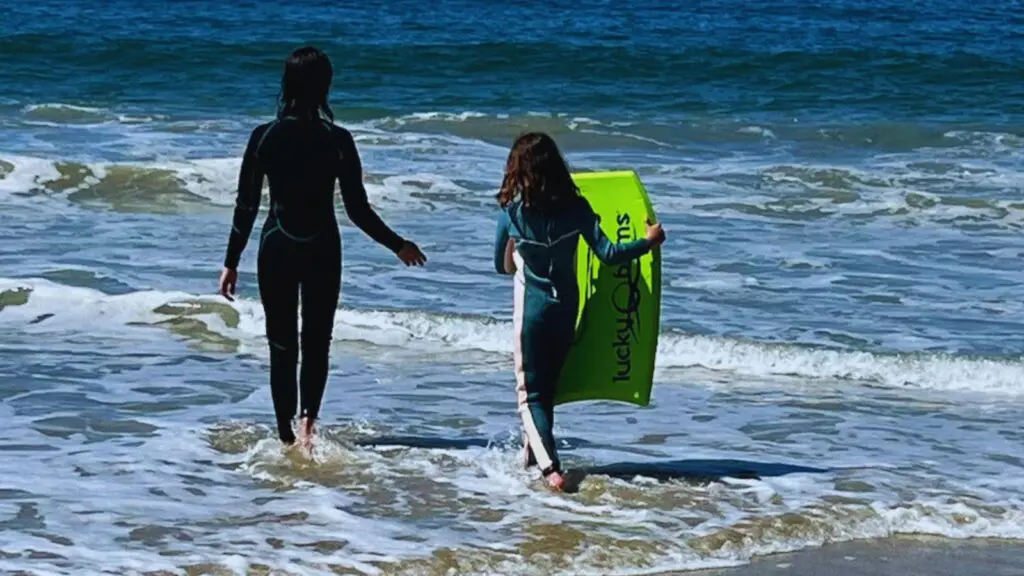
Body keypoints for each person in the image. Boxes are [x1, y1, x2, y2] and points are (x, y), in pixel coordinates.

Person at [218, 46, 427, 448]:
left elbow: (245, 205)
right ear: (325, 87)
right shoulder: (338, 140)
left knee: (281, 343)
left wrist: (231, 261)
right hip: (322, 248)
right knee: (317, 342)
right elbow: (357, 210)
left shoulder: (263, 137)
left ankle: (284, 436)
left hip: (276, 245)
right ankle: (308, 427)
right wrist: (397, 245)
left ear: (286, 84)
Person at [493, 132, 666, 491]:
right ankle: (532, 456)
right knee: (548, 389)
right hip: (566, 309)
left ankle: (550, 471)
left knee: (530, 394)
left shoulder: (512, 213)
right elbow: (609, 253)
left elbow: (501, 265)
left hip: (532, 312)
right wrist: (648, 242)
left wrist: (518, 251)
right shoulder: (576, 208)